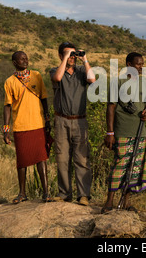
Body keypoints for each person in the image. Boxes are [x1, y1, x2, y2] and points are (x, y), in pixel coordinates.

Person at [102, 52, 146, 214]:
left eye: (142, 64)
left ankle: (126, 202)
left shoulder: (144, 83)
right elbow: (110, 107)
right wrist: (110, 132)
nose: (141, 67)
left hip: (140, 131)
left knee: (134, 167)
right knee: (120, 165)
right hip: (123, 130)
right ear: (128, 64)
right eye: (138, 64)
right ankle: (109, 202)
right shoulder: (117, 82)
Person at [3, 51, 53, 204]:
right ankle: (22, 193)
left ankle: (46, 193)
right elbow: (7, 107)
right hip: (20, 125)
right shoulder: (9, 82)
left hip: (38, 123)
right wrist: (6, 129)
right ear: (14, 62)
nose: (25, 61)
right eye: (22, 59)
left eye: (26, 58)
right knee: (22, 161)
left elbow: (44, 98)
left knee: (41, 158)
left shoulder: (36, 76)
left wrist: (47, 118)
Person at [50, 42, 96, 206]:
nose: (72, 58)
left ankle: (84, 195)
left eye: (73, 54)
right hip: (61, 120)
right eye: (68, 54)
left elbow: (92, 79)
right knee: (62, 158)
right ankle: (64, 193)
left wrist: (84, 59)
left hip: (80, 120)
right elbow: (57, 78)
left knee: (81, 159)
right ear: (60, 56)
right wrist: (65, 59)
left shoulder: (82, 71)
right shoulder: (55, 71)